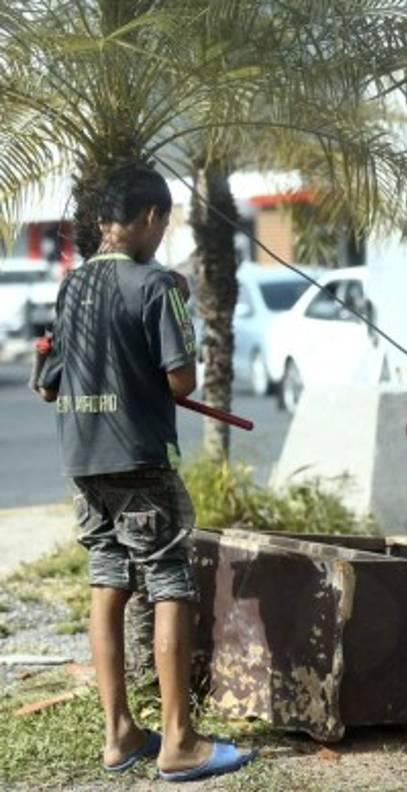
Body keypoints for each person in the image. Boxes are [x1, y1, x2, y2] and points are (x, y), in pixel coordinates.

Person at [33, 164, 253, 782]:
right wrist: (177, 310)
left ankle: (119, 734)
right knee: (169, 581)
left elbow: (52, 383)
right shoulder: (156, 284)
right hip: (137, 458)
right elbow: (181, 378)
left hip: (83, 459)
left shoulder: (73, 286)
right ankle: (179, 741)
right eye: (165, 222)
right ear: (152, 218)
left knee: (107, 579)